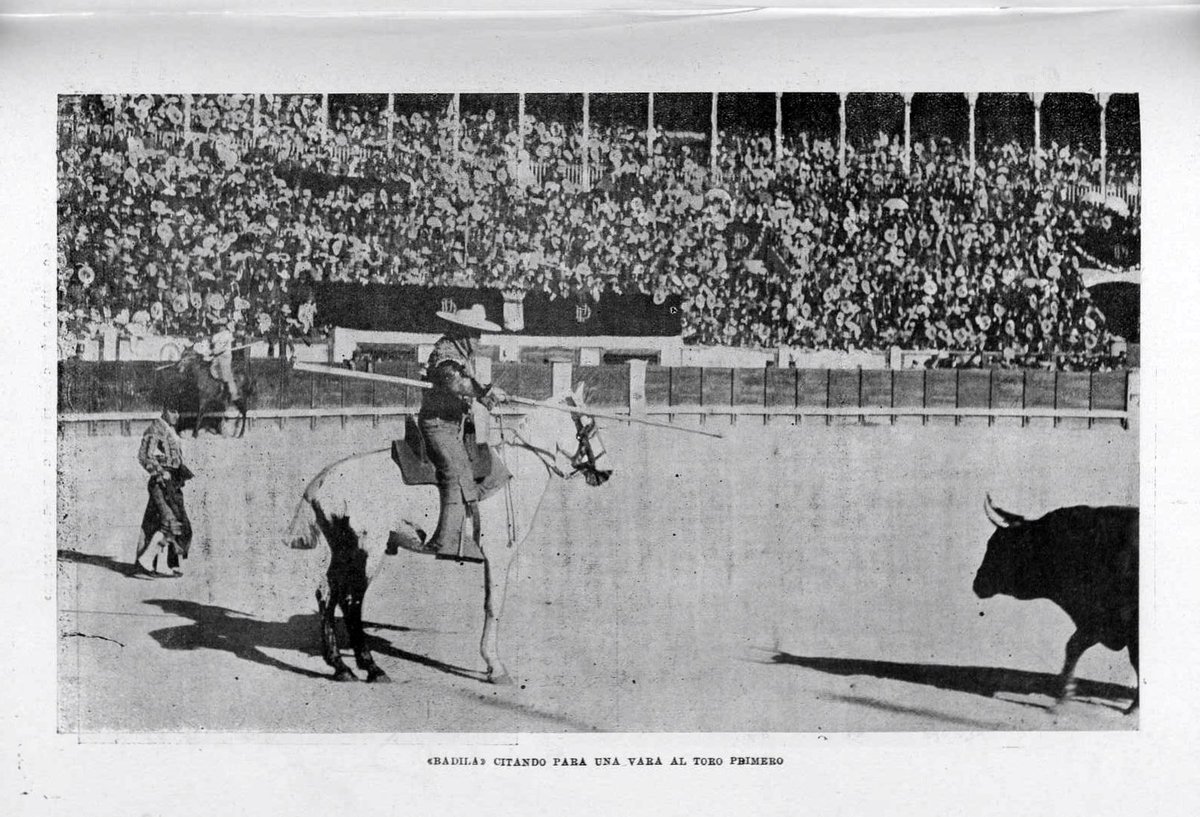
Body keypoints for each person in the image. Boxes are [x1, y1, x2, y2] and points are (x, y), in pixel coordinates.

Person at [417, 304, 508, 557]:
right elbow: (455, 383)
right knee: (456, 472)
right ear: (463, 331)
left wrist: (489, 397)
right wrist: (485, 391)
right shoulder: (444, 351)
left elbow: (471, 386)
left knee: (482, 466)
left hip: (455, 427)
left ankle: (467, 529)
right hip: (437, 426)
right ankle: (444, 541)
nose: (480, 339)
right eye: (476, 333)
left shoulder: (462, 354)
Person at [133, 398, 194, 578]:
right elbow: (144, 456)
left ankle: (157, 564)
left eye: (178, 412)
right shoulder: (156, 428)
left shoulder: (170, 429)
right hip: (161, 484)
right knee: (173, 522)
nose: (177, 415)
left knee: (155, 524)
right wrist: (160, 472)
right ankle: (147, 562)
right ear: (164, 409)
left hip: (171, 483)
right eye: (173, 411)